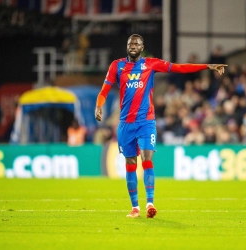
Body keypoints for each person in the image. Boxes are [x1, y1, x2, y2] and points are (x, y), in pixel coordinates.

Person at [95, 34, 228, 218]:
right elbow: (105, 90)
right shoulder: (116, 66)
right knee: (131, 164)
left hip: (146, 122)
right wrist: (99, 105)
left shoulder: (151, 64)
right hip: (126, 124)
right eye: (130, 43)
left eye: (137, 43)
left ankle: (150, 203)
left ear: (142, 47)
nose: (133, 46)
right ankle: (135, 208)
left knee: (147, 159)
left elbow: (179, 67)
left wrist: (207, 66)